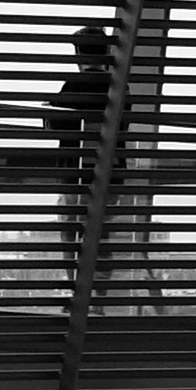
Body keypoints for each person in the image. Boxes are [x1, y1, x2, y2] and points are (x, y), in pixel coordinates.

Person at [45, 20, 117, 280]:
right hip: (110, 173)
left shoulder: (74, 85)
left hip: (75, 174)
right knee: (101, 235)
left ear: (79, 54)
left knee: (70, 233)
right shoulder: (118, 87)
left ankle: (76, 290)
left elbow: (56, 126)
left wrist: (50, 109)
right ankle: (99, 297)